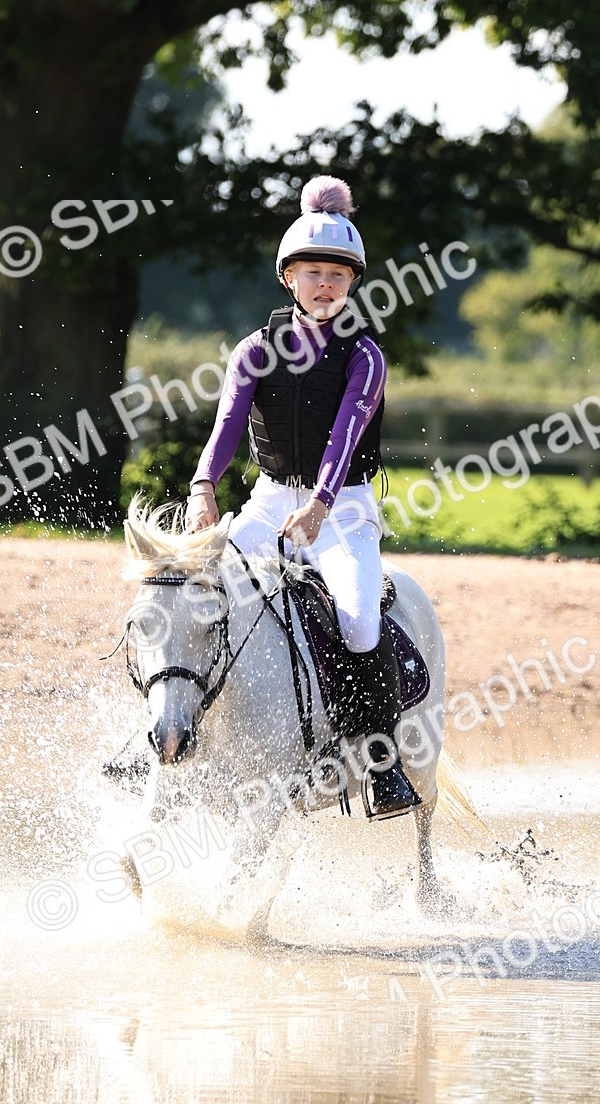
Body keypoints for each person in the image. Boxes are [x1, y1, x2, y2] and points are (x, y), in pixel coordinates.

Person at [185, 175, 420, 819]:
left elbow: (345, 436)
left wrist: (319, 504)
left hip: (342, 509)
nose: (325, 285)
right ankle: (162, 734)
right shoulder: (253, 351)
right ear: (287, 277)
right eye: (312, 272)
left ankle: (381, 763)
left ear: (352, 284)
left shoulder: (364, 356)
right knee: (192, 590)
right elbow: (227, 427)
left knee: (359, 617)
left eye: (338, 276)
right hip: (267, 501)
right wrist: (204, 486)